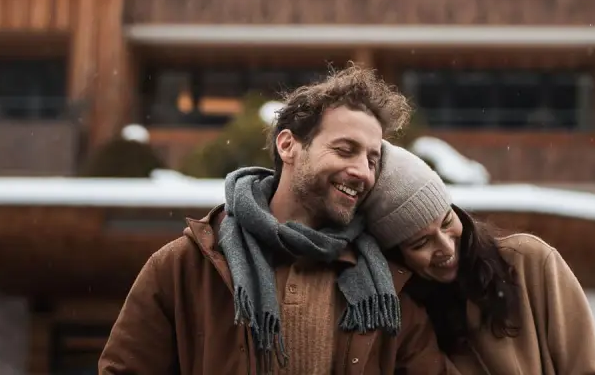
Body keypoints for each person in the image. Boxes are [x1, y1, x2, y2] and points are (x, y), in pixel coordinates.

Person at [99, 65, 459, 374]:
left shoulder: (387, 289)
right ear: (288, 146)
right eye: (345, 150)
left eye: (372, 159)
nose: (362, 172)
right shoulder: (182, 268)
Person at [363, 142, 595, 375]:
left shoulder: (530, 262)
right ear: (398, 256)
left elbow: (590, 365)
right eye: (421, 242)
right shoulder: (406, 317)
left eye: (447, 222)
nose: (446, 247)